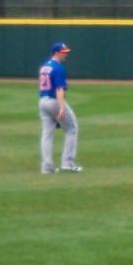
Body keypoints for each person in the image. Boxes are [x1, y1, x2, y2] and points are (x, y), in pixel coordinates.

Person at [38, 41, 81, 173]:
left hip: (43, 102)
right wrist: (62, 108)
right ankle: (67, 163)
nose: (65, 54)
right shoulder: (58, 68)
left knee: (47, 134)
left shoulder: (44, 66)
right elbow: (59, 89)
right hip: (55, 101)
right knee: (72, 129)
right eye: (63, 52)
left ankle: (47, 167)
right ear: (57, 52)